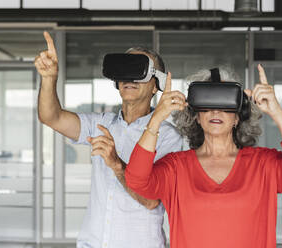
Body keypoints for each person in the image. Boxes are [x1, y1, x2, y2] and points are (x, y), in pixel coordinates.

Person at [125, 65, 282, 248]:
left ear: (237, 117)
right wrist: (156, 118)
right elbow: (137, 180)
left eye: (225, 103)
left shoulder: (264, 164)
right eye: (207, 103)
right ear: (197, 116)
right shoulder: (176, 167)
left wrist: (277, 112)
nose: (216, 111)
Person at [34, 31, 183, 248]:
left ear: (156, 85)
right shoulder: (100, 124)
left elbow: (152, 201)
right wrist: (49, 79)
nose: (130, 78)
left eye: (139, 70)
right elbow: (51, 117)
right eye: (125, 69)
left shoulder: (168, 136)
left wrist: (116, 164)